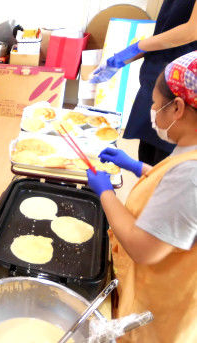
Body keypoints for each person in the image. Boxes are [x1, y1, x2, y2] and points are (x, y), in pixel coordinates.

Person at [86, 51, 197, 342]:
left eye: (155, 104)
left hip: (161, 306)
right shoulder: (190, 152)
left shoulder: (192, 177)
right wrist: (138, 167)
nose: (152, 110)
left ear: (178, 108)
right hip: (158, 283)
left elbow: (142, 247)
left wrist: (106, 192)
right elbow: (171, 190)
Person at [91, 0, 197, 165]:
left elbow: (191, 31)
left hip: (182, 84)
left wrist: (135, 48)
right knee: (147, 152)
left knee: (166, 161)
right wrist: (123, 58)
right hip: (156, 77)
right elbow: (166, 30)